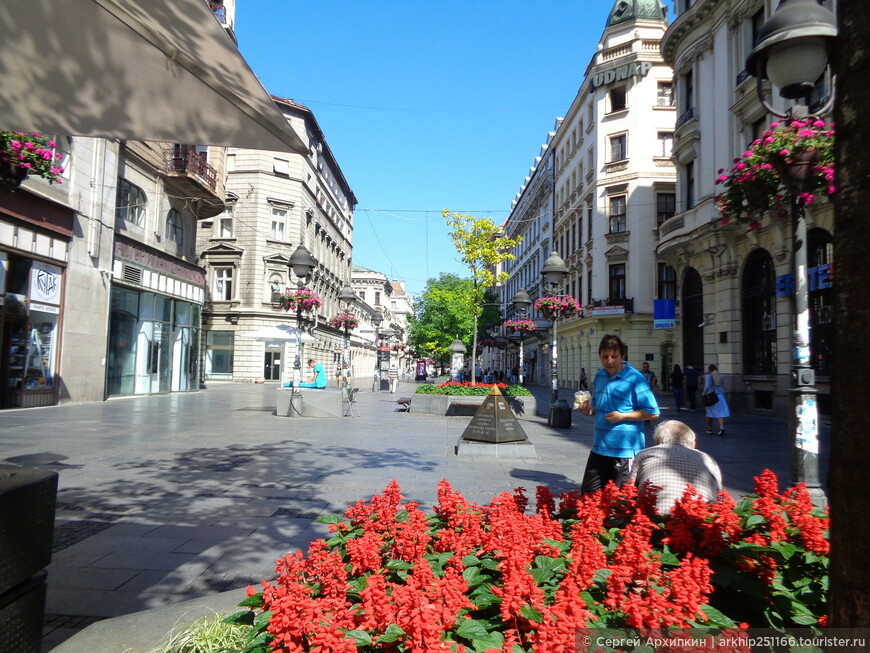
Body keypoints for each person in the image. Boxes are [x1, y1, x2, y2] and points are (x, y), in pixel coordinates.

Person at [576, 334, 660, 494]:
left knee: (619, 503)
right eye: (605, 357)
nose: (609, 361)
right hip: (599, 447)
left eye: (614, 356)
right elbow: (596, 406)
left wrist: (623, 416)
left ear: (622, 356)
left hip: (624, 451)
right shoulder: (600, 376)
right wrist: (589, 410)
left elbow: (653, 412)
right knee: (589, 496)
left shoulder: (635, 378)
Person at [623, 420, 723, 514]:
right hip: (699, 519)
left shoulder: (645, 454)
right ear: (693, 444)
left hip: (654, 517)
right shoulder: (707, 459)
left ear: (657, 442)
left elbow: (630, 490)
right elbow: (719, 495)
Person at [704, 364, 730, 436]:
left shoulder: (709, 376)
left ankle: (710, 428)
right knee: (720, 412)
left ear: (710, 370)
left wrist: (704, 393)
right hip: (720, 396)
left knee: (709, 412)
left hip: (712, 396)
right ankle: (721, 427)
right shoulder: (721, 377)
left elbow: (707, 386)